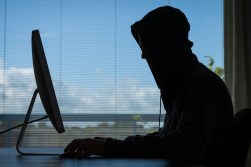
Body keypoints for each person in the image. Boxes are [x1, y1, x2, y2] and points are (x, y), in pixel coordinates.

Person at [62, 6, 234, 166]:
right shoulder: (185, 84)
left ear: (166, 46)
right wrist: (112, 144)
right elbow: (168, 137)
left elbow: (186, 145)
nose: (143, 56)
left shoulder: (200, 84)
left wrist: (110, 147)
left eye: (148, 48)